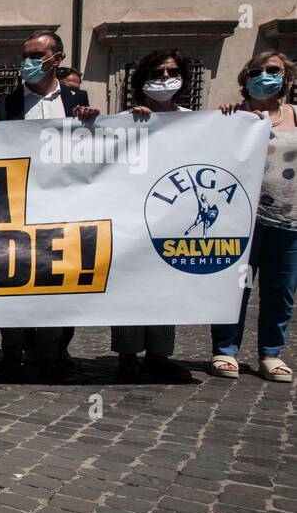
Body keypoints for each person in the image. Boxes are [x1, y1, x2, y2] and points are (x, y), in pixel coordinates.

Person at [0, 30, 101, 381]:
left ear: (56, 58)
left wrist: (95, 120)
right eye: (25, 55)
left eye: (36, 55)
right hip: (17, 207)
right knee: (12, 283)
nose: (28, 62)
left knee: (56, 284)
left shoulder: (79, 99)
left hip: (62, 209)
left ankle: (49, 357)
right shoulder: (5, 104)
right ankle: (11, 355)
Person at [107, 49, 196, 383]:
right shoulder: (125, 120)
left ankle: (159, 355)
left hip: (173, 216)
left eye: (171, 72)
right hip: (130, 215)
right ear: (142, 81)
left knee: (165, 284)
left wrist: (235, 119)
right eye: (157, 73)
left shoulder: (195, 121)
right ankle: (127, 356)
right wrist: (128, 121)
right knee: (130, 284)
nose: (164, 79)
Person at [212, 50, 297, 383]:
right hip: (240, 221)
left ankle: (271, 354)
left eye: (273, 70)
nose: (265, 76)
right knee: (235, 287)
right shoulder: (233, 116)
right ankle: (225, 349)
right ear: (245, 80)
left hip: (288, 219)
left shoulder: (296, 115)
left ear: (286, 77)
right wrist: (223, 121)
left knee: (282, 288)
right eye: (256, 71)